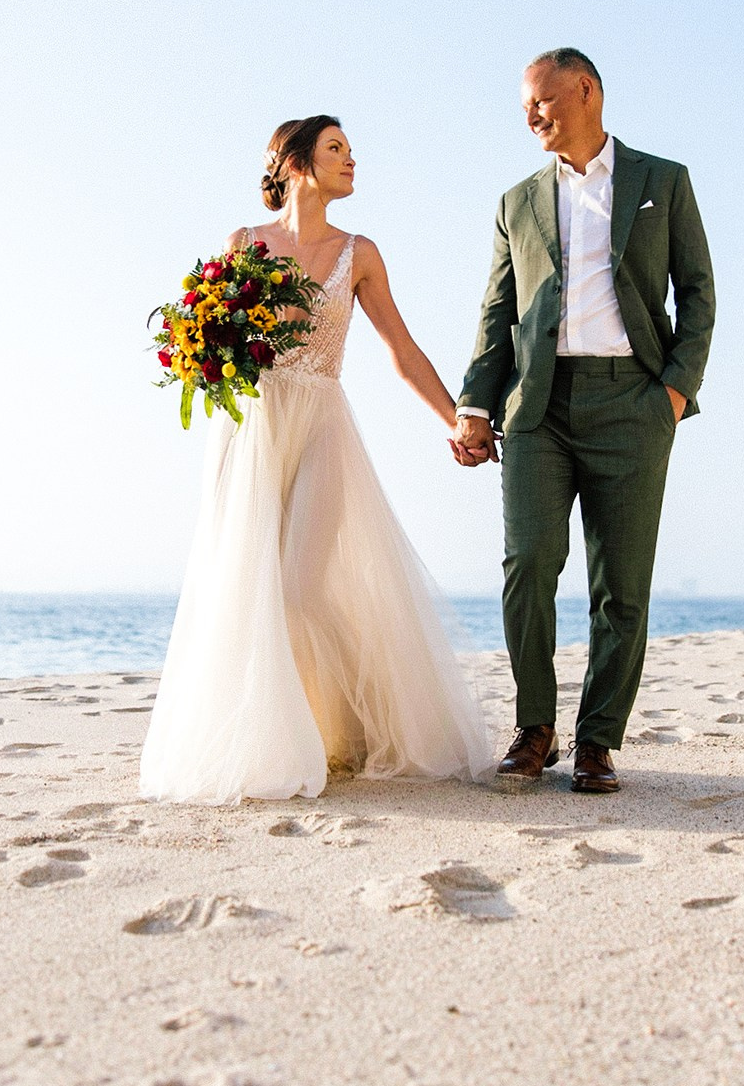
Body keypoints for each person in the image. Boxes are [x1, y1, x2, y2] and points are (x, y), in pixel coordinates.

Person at [140, 116, 491, 804]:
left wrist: (460, 418)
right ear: (296, 162)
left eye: (351, 150)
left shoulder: (359, 253)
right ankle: (285, 737)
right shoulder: (244, 243)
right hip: (253, 429)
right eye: (337, 149)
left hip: (324, 423)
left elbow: (401, 350)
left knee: (301, 586)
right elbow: (212, 333)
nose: (352, 159)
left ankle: (346, 727)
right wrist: (203, 355)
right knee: (249, 588)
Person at [454, 49, 716, 794]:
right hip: (538, 406)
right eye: (525, 107)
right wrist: (476, 406)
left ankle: (598, 741)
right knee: (528, 562)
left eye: (541, 100)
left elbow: (699, 295)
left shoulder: (662, 182)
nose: (532, 115)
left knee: (621, 585)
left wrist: (671, 393)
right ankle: (534, 726)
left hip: (635, 403)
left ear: (586, 90)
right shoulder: (517, 202)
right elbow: (497, 314)